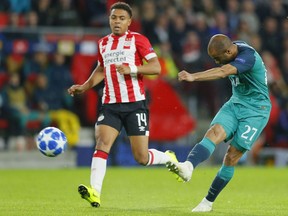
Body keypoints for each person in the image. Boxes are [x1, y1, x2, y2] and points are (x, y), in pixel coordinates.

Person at [67, 2, 177, 208]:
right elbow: (101, 69)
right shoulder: (103, 43)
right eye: (113, 18)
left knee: (141, 157)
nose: (117, 22)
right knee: (102, 144)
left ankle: (168, 158)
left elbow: (155, 67)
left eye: (121, 18)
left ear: (129, 22)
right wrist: (84, 86)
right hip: (110, 104)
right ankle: (95, 193)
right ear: (109, 20)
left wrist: (131, 69)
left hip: (135, 104)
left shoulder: (138, 40)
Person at [166, 34, 271, 212]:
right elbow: (222, 65)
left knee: (231, 156)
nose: (216, 62)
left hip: (256, 111)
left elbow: (223, 72)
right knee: (214, 132)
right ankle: (188, 167)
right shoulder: (233, 48)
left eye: (218, 58)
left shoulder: (248, 57)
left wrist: (193, 77)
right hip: (236, 103)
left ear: (229, 51)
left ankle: (207, 202)